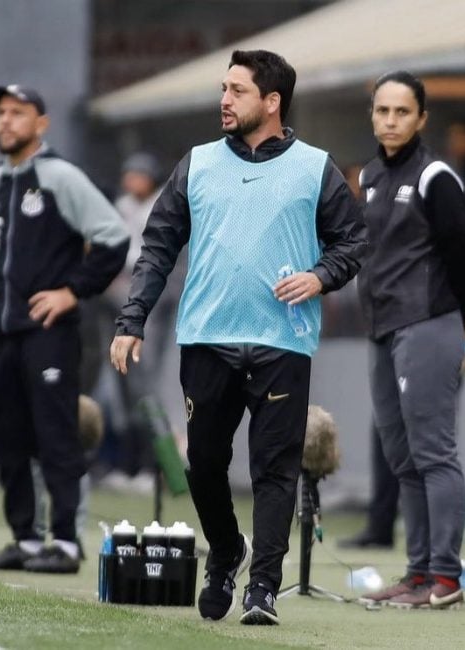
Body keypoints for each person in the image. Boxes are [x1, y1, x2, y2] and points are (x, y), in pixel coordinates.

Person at [110, 50, 367, 625]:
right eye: (222, 89)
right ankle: (226, 552)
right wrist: (131, 321)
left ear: (272, 102)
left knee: (274, 468)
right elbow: (157, 246)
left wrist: (320, 275)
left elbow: (352, 243)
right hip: (206, 336)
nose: (224, 100)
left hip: (283, 343)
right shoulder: (196, 163)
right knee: (202, 463)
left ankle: (263, 589)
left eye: (237, 90)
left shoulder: (314, 167)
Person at [0, 84, 128, 574]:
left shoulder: (61, 177)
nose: (5, 122)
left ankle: (64, 540)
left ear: (41, 124)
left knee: (56, 435)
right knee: (7, 438)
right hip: (3, 335)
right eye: (0, 113)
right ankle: (24, 537)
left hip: (50, 333)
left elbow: (114, 237)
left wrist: (71, 292)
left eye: (17, 113)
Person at [354, 71, 465, 610]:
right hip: (381, 328)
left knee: (433, 452)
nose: (390, 121)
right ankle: (416, 573)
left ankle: (446, 579)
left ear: (422, 118)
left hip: (429, 322)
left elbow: (461, 249)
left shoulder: (436, 177)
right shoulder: (367, 176)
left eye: (402, 112)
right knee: (401, 457)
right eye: (382, 111)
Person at [99, 152, 172, 494]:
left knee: (146, 383)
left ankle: (157, 468)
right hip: (120, 293)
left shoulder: (163, 203)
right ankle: (127, 465)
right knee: (121, 385)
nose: (132, 180)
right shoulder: (122, 205)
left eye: (139, 174)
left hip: (151, 297)